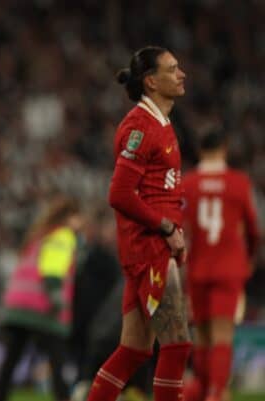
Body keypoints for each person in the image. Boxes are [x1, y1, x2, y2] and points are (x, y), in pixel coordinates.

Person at [85, 46, 192, 401]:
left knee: (135, 349)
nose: (182, 75)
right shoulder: (139, 126)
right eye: (173, 69)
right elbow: (119, 194)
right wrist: (166, 227)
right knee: (177, 345)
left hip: (149, 246)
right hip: (149, 248)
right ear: (151, 81)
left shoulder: (159, 122)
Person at [181, 130, 260, 401]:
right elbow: (252, 229)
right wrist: (248, 258)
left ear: (201, 151)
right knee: (223, 335)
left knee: (202, 335)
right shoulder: (238, 183)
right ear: (224, 149)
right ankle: (216, 393)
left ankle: (203, 391)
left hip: (199, 268)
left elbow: (181, 227)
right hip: (229, 268)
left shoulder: (188, 183)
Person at [0, 197, 82, 401]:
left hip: (17, 306)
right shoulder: (63, 235)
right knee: (58, 360)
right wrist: (56, 298)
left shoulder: (39, 235)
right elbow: (52, 269)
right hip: (42, 307)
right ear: (70, 217)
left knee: (10, 361)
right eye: (78, 217)